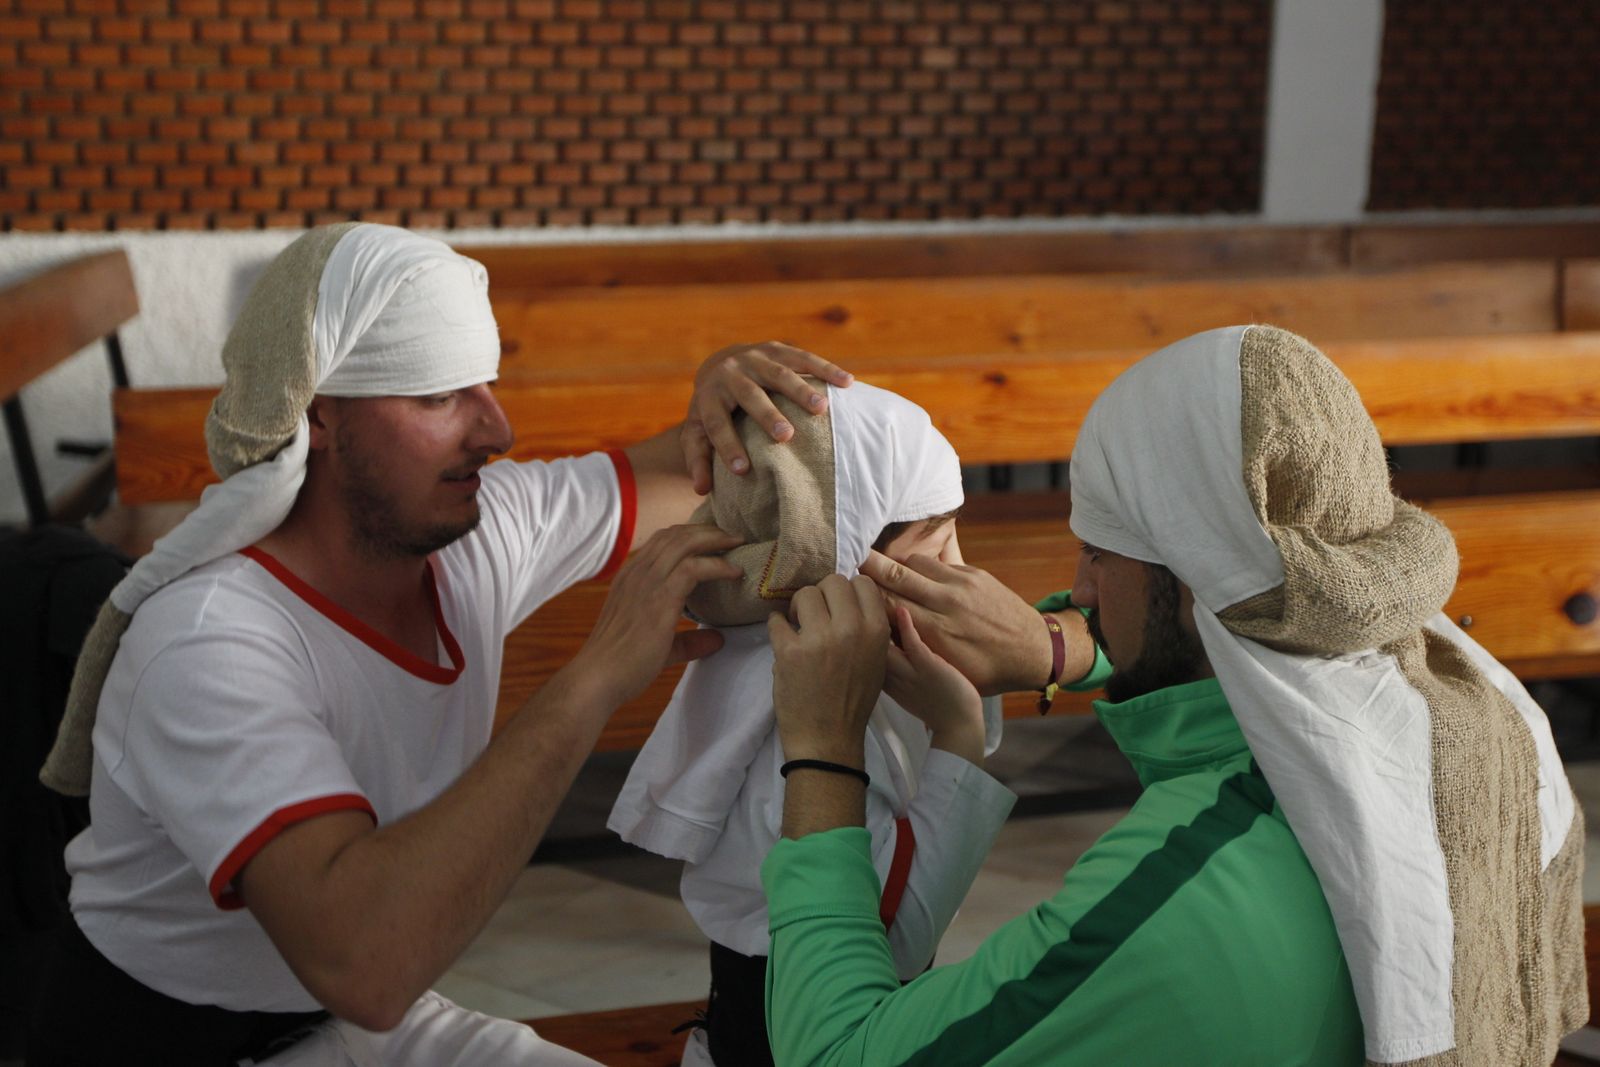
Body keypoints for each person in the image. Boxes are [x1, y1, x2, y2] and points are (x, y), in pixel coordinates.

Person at [26, 222, 852, 1066]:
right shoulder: (210, 641)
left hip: (351, 1025)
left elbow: (694, 472)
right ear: (318, 415)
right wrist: (595, 678)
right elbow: (364, 962)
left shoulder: (473, 532)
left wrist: (720, 395)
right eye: (437, 396)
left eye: (486, 384)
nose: (497, 429)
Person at [760, 325, 1587, 1066]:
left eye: (1099, 551)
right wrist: (1057, 649)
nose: (1082, 586)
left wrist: (824, 749)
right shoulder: (1488, 709)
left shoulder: (1185, 894)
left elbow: (838, 1053)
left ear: (1192, 575)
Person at [607, 381, 1016, 1067]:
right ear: (845, 561)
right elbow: (897, 936)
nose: (960, 571)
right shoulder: (797, 720)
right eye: (939, 544)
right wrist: (960, 735)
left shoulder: (794, 660)